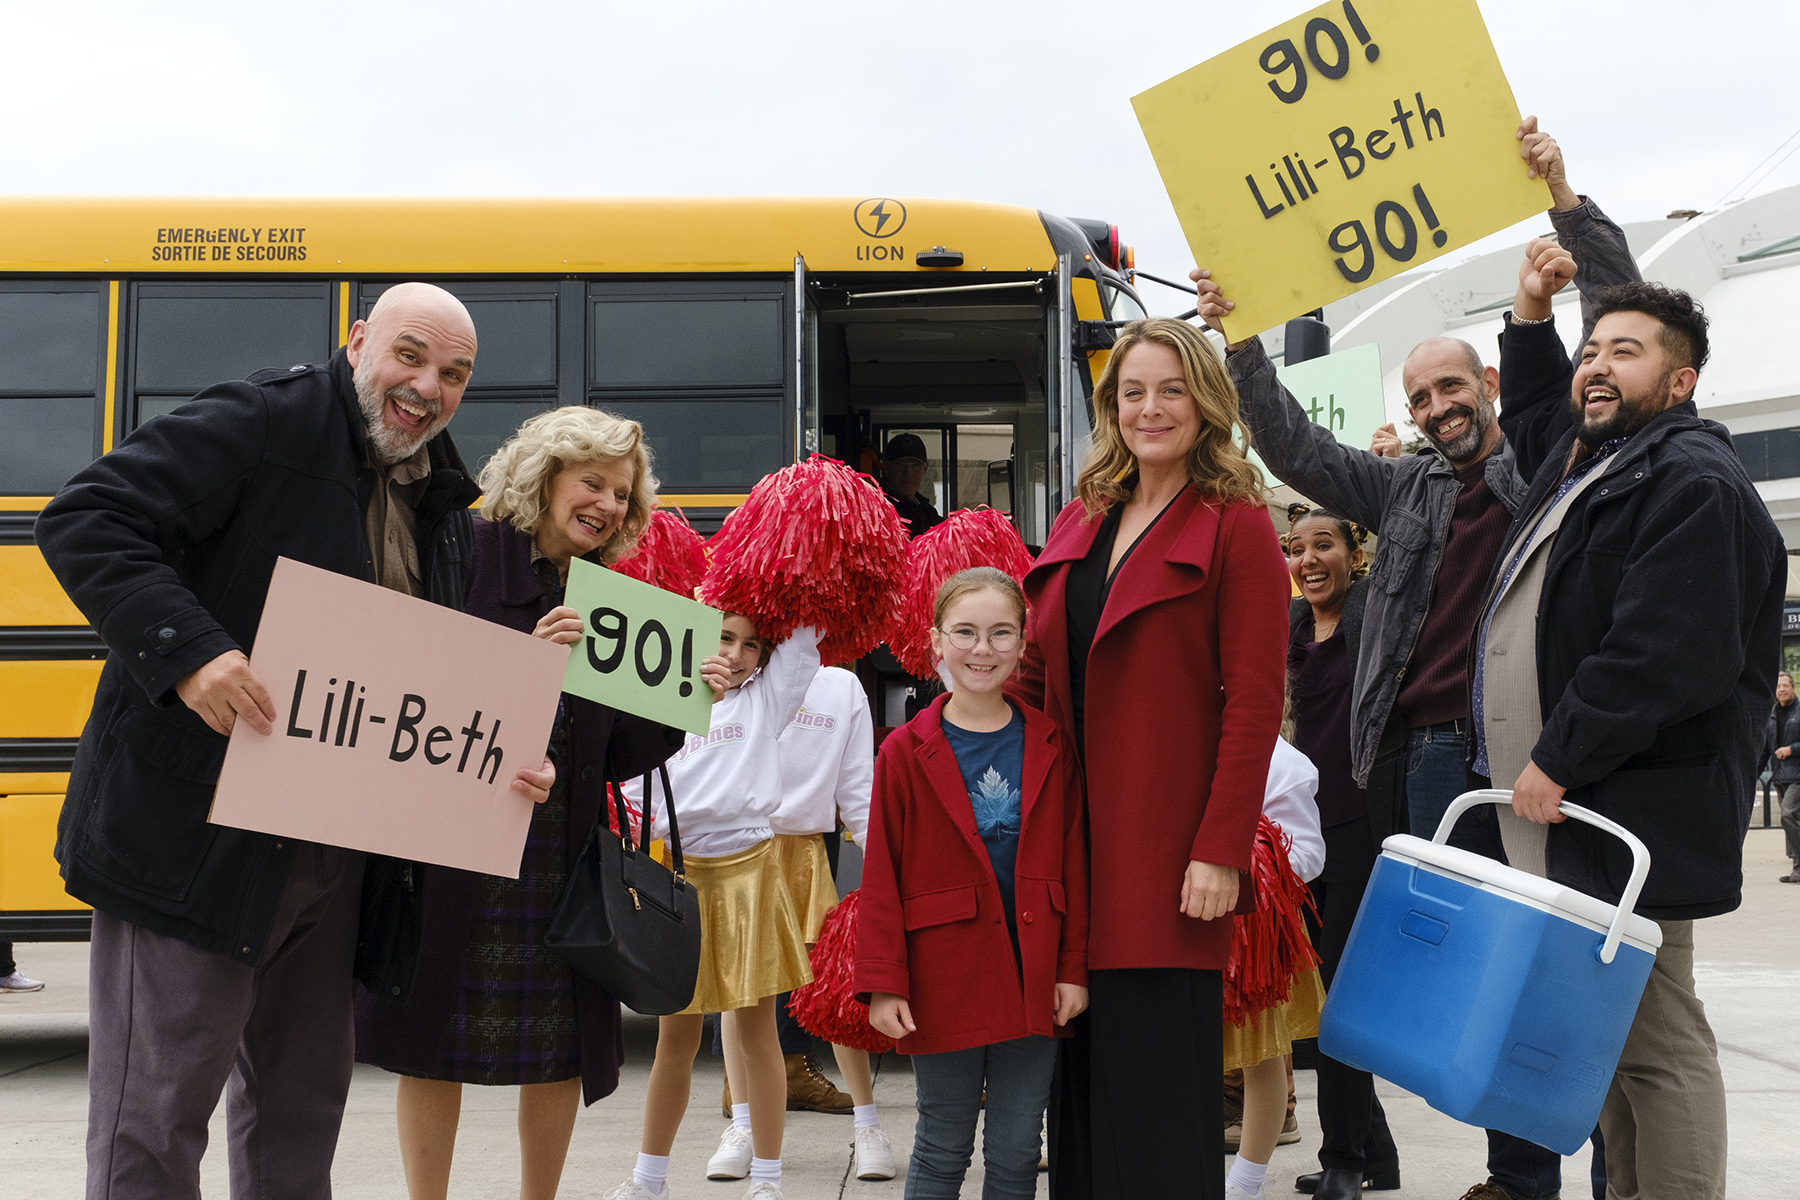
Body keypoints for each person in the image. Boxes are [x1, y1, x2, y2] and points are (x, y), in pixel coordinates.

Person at [1195, 117, 1639, 1200]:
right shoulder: (1401, 490)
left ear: (1489, 383)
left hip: (1491, 760)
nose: (1439, 411)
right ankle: (1352, 1156)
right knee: (1363, 963)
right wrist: (1239, 339)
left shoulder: (1543, 464)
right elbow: (1294, 448)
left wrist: (1564, 200)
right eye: (1422, 402)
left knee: (1501, 964)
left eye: (1452, 392)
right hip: (1386, 756)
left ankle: (1518, 1179)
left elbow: (1620, 337)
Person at [34, 282, 556, 1198]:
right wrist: (192, 655)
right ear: (357, 342)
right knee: (154, 1118)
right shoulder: (262, 420)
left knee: (300, 1118)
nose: (428, 387)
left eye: (455, 375)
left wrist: (500, 762)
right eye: (410, 356)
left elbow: (424, 691)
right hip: (190, 843)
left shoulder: (442, 504)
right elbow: (85, 516)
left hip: (333, 862)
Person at [1476, 256, 1783, 1200]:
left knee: (1654, 1040)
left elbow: (1662, 653)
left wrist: (1556, 757)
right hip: (1585, 810)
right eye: (1592, 349)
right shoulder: (1603, 462)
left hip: (1629, 809)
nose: (1598, 366)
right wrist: (1530, 315)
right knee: (1608, 1041)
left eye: (1628, 351)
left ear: (1681, 380)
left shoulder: (1691, 480)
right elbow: (1535, 415)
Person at [354, 407, 683, 1200]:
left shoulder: (607, 594)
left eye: (621, 493)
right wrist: (520, 669)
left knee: (560, 1049)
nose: (606, 504)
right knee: (434, 1044)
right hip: (454, 852)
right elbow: (407, 701)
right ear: (546, 477)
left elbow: (617, 756)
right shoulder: (460, 552)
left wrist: (681, 704)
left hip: (558, 858)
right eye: (592, 482)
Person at [1010, 316, 1289, 1200]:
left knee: (1160, 1103)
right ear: (1112, 406)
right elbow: (1028, 671)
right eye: (1133, 392)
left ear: (1204, 402)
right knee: (1081, 1099)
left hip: (1168, 851)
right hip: (1068, 846)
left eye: (1170, 389)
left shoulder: (1237, 522)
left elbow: (1254, 704)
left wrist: (1219, 848)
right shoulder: (1084, 512)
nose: (1151, 408)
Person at [858, 567, 1089, 1200]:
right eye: (965, 632)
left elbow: (1073, 863)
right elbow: (882, 873)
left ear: (1021, 643)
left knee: (1018, 1149)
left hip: (1034, 973)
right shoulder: (904, 752)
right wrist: (883, 983)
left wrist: (1072, 967)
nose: (981, 649)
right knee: (942, 1143)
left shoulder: (1050, 743)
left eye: (999, 633)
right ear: (936, 642)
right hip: (943, 972)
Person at [606, 618, 822, 1200]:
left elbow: (805, 630)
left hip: (751, 871)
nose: (739, 653)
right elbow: (629, 786)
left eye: (753, 644)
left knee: (759, 1037)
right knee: (674, 1039)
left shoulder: (767, 698)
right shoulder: (661, 699)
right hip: (676, 877)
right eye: (725, 637)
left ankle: (768, 1181)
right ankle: (649, 1179)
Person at [712, 661, 892, 1183]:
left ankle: (868, 1123)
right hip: (739, 844)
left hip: (806, 852)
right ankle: (743, 1125)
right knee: (741, 991)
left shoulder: (840, 686)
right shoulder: (735, 671)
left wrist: (884, 872)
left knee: (834, 986)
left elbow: (858, 789)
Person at [1281, 508, 1400, 1199]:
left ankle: (1345, 1161)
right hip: (1302, 831)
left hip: (1359, 825)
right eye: (1297, 550)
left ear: (1357, 554)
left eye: (1324, 544)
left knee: (1341, 997)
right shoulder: (1294, 627)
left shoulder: (1373, 618)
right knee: (1325, 991)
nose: (1309, 559)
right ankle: (1374, 1152)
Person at [1223, 734, 1327, 1200]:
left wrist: (1247, 854)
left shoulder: (1282, 762)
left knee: (1262, 1057)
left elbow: (1309, 854)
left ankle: (1247, 1182)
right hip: (1183, 922)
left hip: (1253, 937)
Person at [879, 434, 944, 537]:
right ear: (885, 466)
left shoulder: (929, 513)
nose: (908, 472)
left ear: (925, 468)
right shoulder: (874, 508)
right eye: (900, 464)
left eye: (915, 465)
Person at [1769, 672, 1800, 883]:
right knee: (1792, 822)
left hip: (1798, 776)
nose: (1781, 689)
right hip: (1780, 776)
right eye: (1778, 686)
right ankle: (1796, 868)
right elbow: (1765, 748)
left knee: (1787, 815)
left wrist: (1791, 749)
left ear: (1793, 688)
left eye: (1785, 686)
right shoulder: (1771, 714)